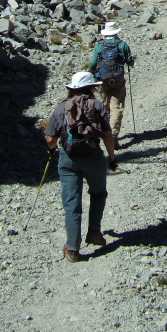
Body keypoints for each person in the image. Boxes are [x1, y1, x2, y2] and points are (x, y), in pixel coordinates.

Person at [45, 71, 118, 262]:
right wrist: (112, 158)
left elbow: (51, 139)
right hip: (93, 157)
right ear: (92, 88)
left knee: (71, 203)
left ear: (72, 89)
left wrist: (51, 149)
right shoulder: (98, 105)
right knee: (98, 193)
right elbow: (107, 135)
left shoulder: (61, 107)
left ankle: (72, 248)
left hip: (68, 159)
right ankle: (94, 231)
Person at [89, 22, 135, 146]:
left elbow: (93, 63)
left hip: (103, 78)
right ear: (116, 32)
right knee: (117, 106)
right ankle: (112, 136)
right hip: (118, 78)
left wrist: (89, 73)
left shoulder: (99, 45)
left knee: (105, 102)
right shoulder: (122, 44)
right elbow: (130, 62)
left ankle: (103, 130)